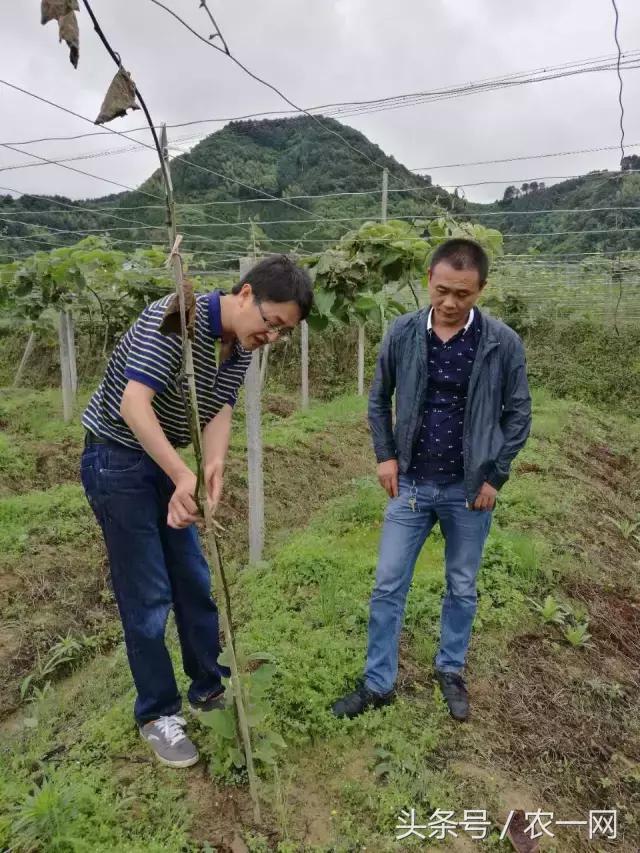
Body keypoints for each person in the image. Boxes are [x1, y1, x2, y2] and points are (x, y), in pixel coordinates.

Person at [81, 255, 313, 767]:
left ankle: (209, 688)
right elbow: (134, 406)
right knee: (147, 595)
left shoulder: (242, 347)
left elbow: (220, 406)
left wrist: (212, 464)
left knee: (192, 579)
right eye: (270, 322)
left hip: (163, 460)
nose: (272, 336)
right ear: (246, 294)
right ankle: (158, 714)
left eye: (284, 332)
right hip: (117, 458)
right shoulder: (174, 319)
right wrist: (181, 473)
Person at [332, 238, 531, 722]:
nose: (449, 303)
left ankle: (450, 669)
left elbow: (518, 415)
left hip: (469, 493)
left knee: (461, 586)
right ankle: (379, 683)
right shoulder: (402, 333)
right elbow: (380, 399)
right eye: (441, 291)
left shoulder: (501, 342)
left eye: (462, 294)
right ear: (428, 281)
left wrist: (494, 478)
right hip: (413, 488)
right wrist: (385, 457)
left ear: (481, 289)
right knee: (387, 585)